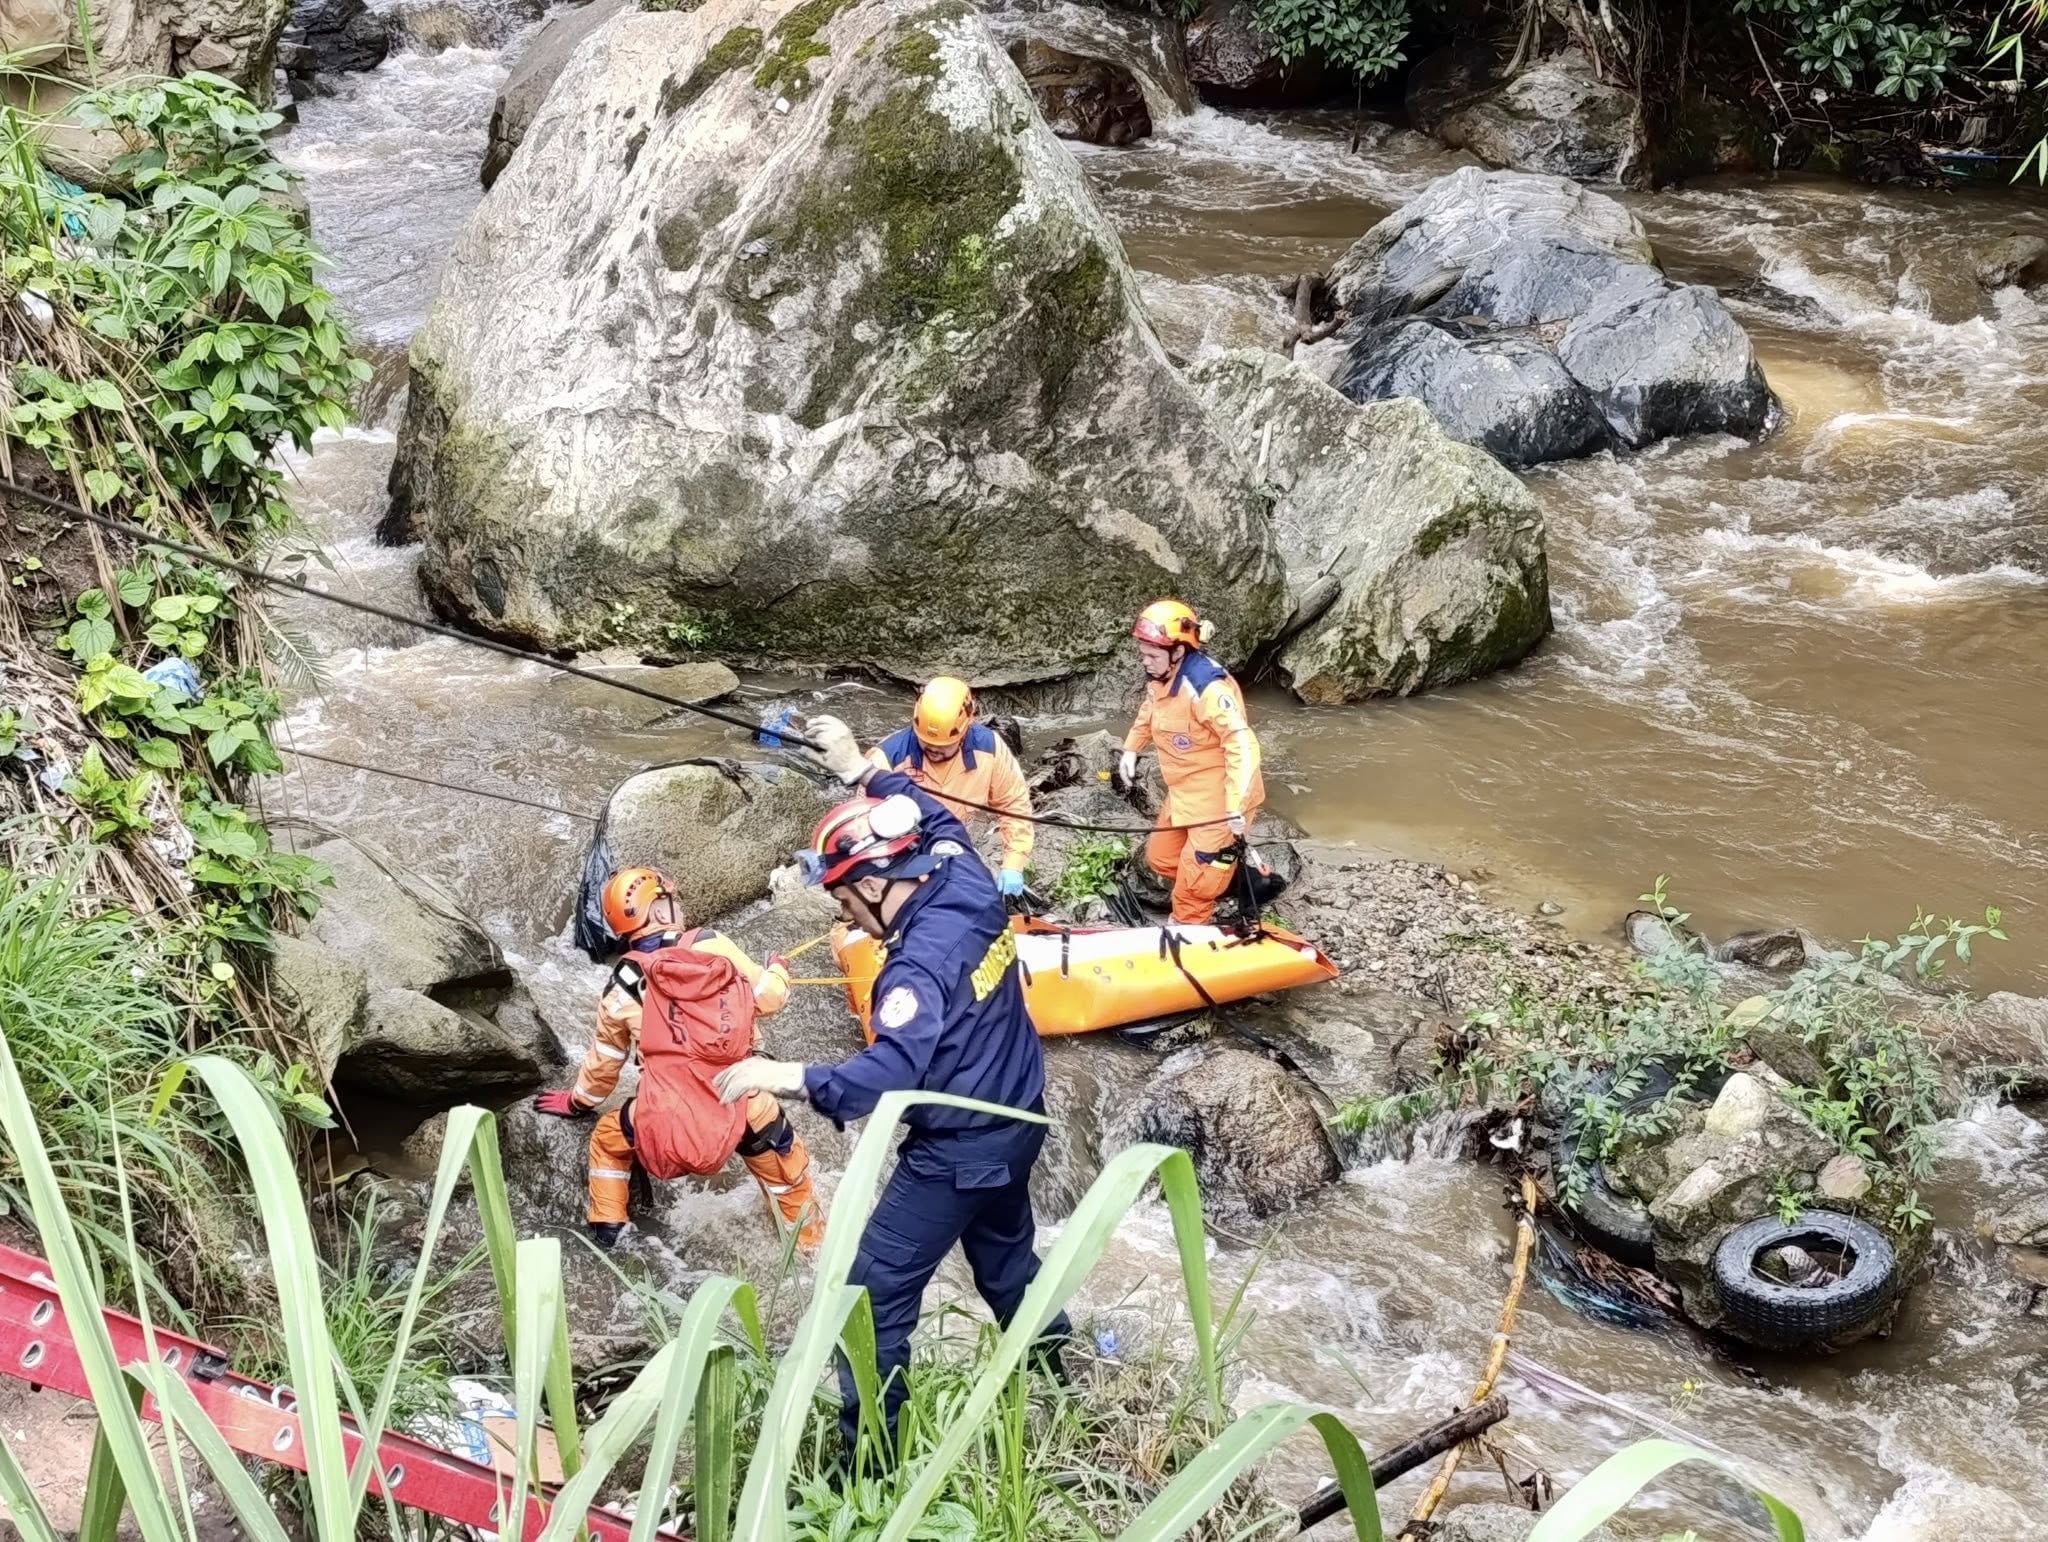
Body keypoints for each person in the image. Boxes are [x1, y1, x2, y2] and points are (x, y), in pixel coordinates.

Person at [713, 716, 1069, 1465]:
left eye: (848, 903)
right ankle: (1057, 1379)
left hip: (958, 1149)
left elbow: (886, 1076)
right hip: (1018, 1113)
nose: (850, 918)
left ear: (877, 883)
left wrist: (791, 1076)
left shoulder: (913, 973)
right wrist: (858, 768)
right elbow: (935, 812)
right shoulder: (958, 872)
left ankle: (869, 1466)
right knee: (1006, 1266)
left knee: (867, 1300)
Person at [533, 867, 824, 1251]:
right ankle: (808, 1248)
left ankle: (609, 1234)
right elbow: (769, 998)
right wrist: (778, 970)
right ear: (657, 909)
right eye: (671, 899)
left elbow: (606, 1060)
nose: (679, 905)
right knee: (789, 1183)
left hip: (665, 1117)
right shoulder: (713, 944)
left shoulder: (621, 982)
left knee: (606, 1139)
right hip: (745, 1103)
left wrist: (577, 1102)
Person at [1118, 599, 1264, 925]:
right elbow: (1151, 710)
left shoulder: (1207, 688)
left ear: (1179, 651)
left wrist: (1236, 804)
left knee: (1194, 882)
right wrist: (1131, 748)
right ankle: (1224, 876)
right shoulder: (1161, 677)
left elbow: (1241, 742)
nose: (1146, 663)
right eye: (1143, 654)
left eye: (1152, 656)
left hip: (1219, 798)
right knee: (1161, 858)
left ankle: (1187, 925)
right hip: (1184, 790)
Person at [865, 675, 1036, 902]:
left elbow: (1013, 805)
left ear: (966, 729)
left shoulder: (990, 750)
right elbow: (862, 825)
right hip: (900, 856)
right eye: (927, 743)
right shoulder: (886, 760)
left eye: (943, 746)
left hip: (953, 847)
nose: (934, 750)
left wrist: (1014, 863)